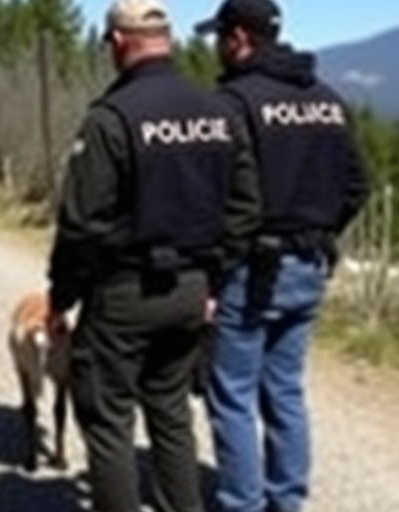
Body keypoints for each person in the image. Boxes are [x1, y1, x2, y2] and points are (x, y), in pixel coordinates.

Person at [45, 0, 262, 510]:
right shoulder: (218, 110)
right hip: (190, 295)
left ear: (119, 42)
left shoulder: (111, 118)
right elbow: (246, 206)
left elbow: (80, 224)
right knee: (170, 417)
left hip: (124, 295)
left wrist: (62, 297)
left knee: (109, 421)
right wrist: (212, 279)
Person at [194, 1, 371, 511]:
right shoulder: (328, 100)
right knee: (286, 390)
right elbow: (357, 184)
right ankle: (286, 501)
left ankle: (242, 504)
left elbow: (217, 199)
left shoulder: (232, 102)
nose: (216, 46)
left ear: (241, 38)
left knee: (231, 395)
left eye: (220, 35)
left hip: (250, 268)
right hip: (310, 262)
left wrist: (212, 271)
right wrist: (319, 228)